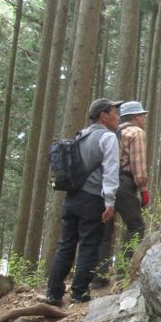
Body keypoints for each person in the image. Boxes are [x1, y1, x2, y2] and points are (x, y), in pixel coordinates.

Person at [45, 98, 121, 305]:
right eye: (114, 112)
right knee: (89, 245)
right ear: (103, 116)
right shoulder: (108, 137)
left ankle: (53, 293)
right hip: (93, 199)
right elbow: (111, 171)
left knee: (65, 244)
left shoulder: (81, 135)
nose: (118, 117)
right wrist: (110, 202)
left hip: (72, 197)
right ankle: (79, 293)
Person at [93, 100, 150, 286]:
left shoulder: (112, 133)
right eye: (142, 115)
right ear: (135, 117)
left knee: (105, 231)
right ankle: (123, 273)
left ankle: (98, 277)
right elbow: (138, 166)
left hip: (105, 184)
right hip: (124, 183)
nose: (144, 119)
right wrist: (144, 190)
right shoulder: (136, 133)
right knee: (136, 226)